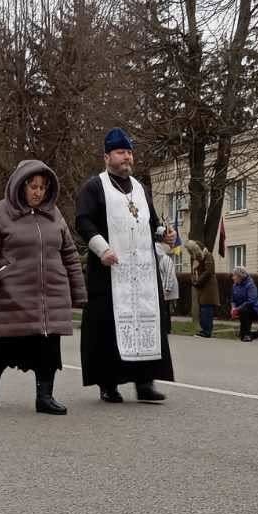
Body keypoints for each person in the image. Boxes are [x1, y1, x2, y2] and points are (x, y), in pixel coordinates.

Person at [0, 160, 88, 415]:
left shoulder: (55, 214)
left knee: (49, 347)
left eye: (43, 187)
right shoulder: (0, 212)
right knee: (6, 346)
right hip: (14, 293)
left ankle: (44, 396)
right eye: (33, 186)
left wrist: (78, 291)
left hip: (52, 293)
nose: (38, 192)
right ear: (20, 185)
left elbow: (69, 253)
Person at [75, 127, 178, 403]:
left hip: (143, 272)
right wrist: (102, 248)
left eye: (130, 152)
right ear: (107, 156)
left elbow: (152, 224)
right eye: (121, 152)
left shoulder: (141, 189)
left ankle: (145, 382)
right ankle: (108, 383)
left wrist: (166, 235)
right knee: (109, 326)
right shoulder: (94, 187)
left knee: (147, 322)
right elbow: (83, 221)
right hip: (111, 269)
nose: (127, 158)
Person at [229, 267, 258, 343]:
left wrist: (237, 309)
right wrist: (233, 308)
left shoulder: (250, 285)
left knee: (245, 310)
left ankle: (247, 335)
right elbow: (233, 300)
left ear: (240, 276)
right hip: (242, 310)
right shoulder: (235, 286)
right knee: (242, 336)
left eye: (234, 275)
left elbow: (251, 301)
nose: (232, 278)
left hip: (256, 310)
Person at [189, 244, 219, 338]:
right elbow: (196, 273)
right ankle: (204, 330)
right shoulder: (199, 258)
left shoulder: (208, 255)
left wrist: (198, 282)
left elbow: (209, 271)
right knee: (204, 308)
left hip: (208, 287)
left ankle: (206, 331)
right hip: (203, 287)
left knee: (206, 308)